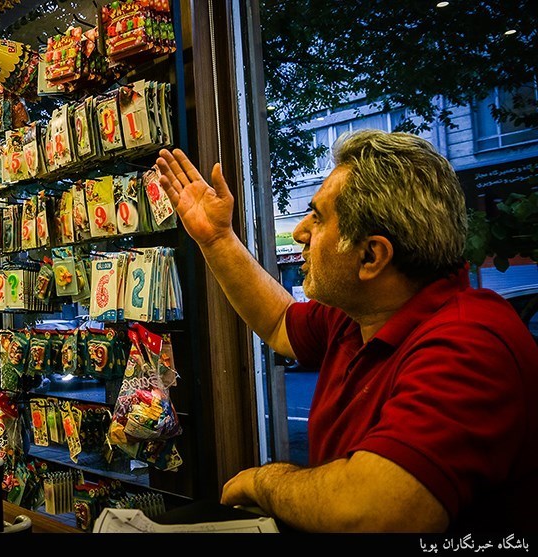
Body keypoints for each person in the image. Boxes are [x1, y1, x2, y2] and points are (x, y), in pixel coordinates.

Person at [155, 129, 538, 533]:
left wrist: (264, 482)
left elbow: (379, 511)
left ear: (371, 256)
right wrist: (216, 238)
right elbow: (278, 321)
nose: (300, 232)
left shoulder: (469, 344)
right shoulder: (359, 314)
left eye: (318, 217)